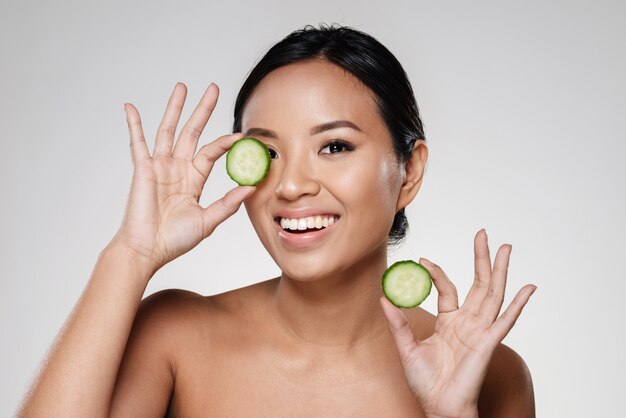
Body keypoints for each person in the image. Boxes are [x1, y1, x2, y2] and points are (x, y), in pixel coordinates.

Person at [17, 25, 537, 417]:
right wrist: (128, 256)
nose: (290, 186)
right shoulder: (174, 337)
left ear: (409, 172)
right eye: (266, 153)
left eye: (334, 146)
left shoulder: (490, 372)